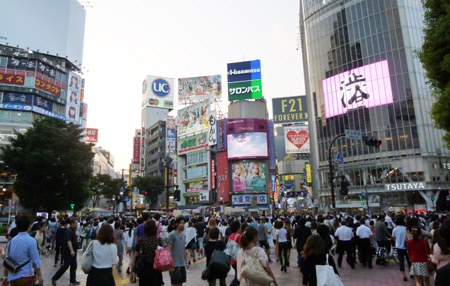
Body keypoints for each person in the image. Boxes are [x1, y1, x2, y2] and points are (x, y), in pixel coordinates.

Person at [2, 216, 43, 286]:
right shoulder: (31, 241)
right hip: (25, 276)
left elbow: (7, 261)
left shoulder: (11, 241)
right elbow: (35, 261)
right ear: (29, 226)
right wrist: (39, 276)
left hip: (13, 277)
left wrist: (5, 277)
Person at [130, 220, 164, 286]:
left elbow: (135, 257)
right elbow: (161, 256)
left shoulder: (141, 240)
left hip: (144, 270)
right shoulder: (158, 241)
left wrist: (132, 273)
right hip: (156, 270)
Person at [52, 218, 80, 286]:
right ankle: (55, 278)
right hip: (68, 252)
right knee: (66, 266)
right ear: (72, 224)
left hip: (73, 252)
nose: (77, 225)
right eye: (76, 223)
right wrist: (71, 250)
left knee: (74, 266)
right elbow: (68, 241)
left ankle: (73, 280)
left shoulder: (73, 231)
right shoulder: (69, 231)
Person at [168, 216, 189, 286]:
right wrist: (170, 264)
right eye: (180, 223)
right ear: (176, 224)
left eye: (183, 223)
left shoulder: (183, 235)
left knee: (181, 283)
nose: (182, 224)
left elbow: (184, 249)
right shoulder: (172, 234)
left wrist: (186, 262)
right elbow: (169, 249)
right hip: (174, 264)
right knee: (174, 284)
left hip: (182, 264)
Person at [392, 217, 411, 282]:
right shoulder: (406, 229)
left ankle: (404, 275)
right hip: (406, 247)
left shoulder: (395, 229)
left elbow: (394, 238)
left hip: (398, 247)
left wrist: (396, 243)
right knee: (409, 260)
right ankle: (411, 273)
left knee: (401, 261)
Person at [228, 221, 241, 286]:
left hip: (232, 260)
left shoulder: (230, 236)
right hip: (238, 260)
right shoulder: (239, 236)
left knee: (238, 277)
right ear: (238, 228)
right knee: (237, 279)